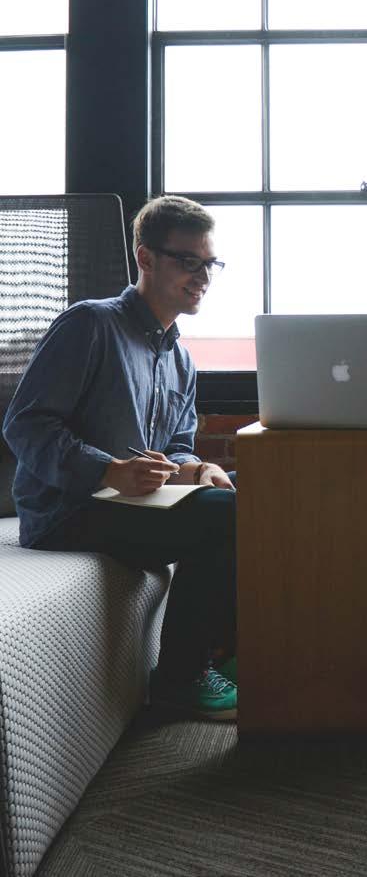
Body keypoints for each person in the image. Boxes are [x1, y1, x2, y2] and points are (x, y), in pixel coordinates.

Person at [3, 195, 239, 721]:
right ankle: (180, 681)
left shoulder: (180, 358)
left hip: (136, 504)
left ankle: (227, 648)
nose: (203, 276)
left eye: (210, 263)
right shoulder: (90, 325)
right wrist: (109, 471)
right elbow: (24, 424)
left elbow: (177, 444)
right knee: (231, 515)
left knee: (250, 491)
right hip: (70, 512)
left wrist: (197, 468)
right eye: (188, 261)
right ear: (146, 258)